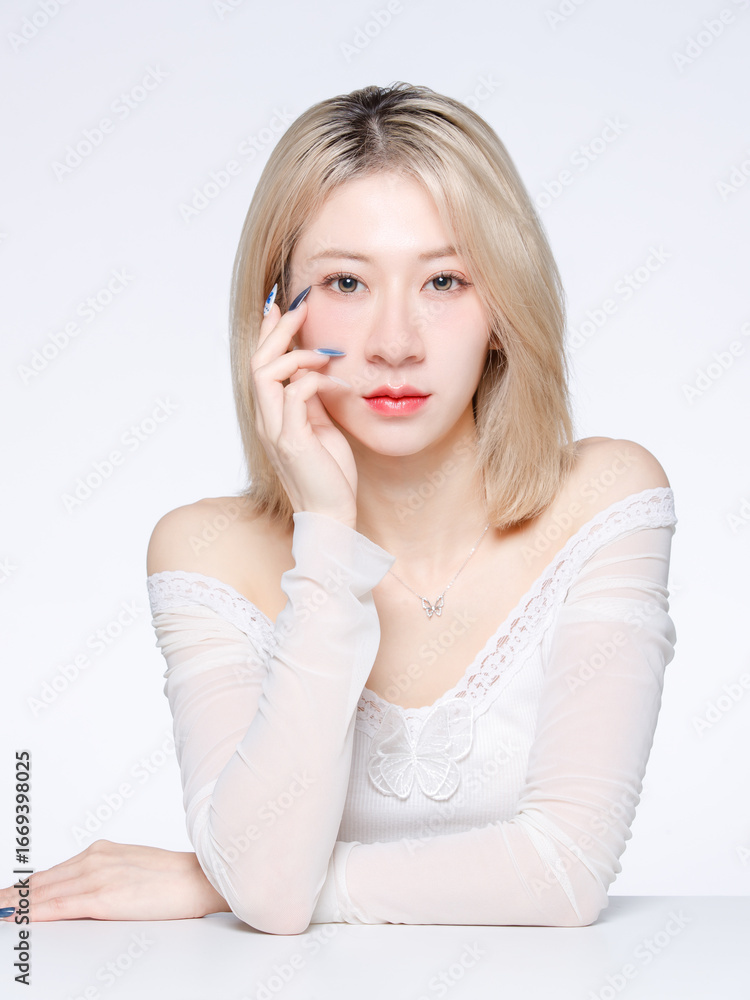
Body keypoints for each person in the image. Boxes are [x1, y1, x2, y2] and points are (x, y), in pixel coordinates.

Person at [1, 82, 677, 934]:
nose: (395, 343)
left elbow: (563, 874)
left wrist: (217, 881)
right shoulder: (204, 552)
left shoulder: (605, 499)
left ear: (503, 308)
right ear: (275, 314)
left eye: (444, 279)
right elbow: (269, 897)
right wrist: (326, 535)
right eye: (347, 282)